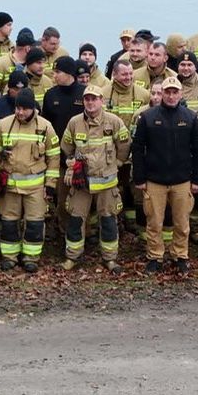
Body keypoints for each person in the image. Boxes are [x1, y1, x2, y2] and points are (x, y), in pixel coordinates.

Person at [131, 75, 198, 273]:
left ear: (181, 94)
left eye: (175, 92)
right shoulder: (147, 117)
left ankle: (180, 256)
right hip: (154, 180)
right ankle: (155, 256)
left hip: (182, 180)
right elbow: (137, 149)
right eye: (167, 92)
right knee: (154, 222)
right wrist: (139, 178)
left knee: (182, 223)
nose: (171, 96)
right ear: (161, 93)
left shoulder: (190, 117)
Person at [60, 86, 130, 271]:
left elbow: (124, 145)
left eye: (94, 99)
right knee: (75, 220)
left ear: (102, 101)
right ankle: (72, 257)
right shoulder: (75, 122)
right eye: (87, 99)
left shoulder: (113, 121)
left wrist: (118, 163)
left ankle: (110, 258)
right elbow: (66, 147)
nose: (90, 102)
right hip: (81, 183)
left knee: (108, 221)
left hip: (106, 183)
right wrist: (72, 163)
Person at [0, 87, 59, 273]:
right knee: (9, 222)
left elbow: (54, 157)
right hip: (10, 186)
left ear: (33, 108)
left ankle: (31, 258)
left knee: (35, 223)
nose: (20, 112)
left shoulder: (45, 127)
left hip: (35, 187)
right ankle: (9, 257)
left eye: (24, 109)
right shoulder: (4, 125)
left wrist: (50, 185)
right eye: (17, 108)